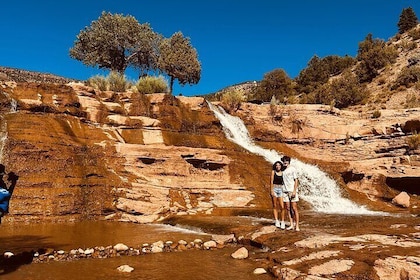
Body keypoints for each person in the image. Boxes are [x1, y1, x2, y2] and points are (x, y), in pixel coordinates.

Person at [281, 156, 300, 231]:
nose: (285, 162)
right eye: (284, 161)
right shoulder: (283, 170)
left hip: (291, 191)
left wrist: (294, 191)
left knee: (294, 208)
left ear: (289, 161)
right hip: (285, 191)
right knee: (288, 209)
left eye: (286, 161)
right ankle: (291, 224)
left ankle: (297, 225)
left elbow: (296, 180)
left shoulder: (292, 169)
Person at [270, 161, 286, 229]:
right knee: (275, 205)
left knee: (282, 207)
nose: (278, 166)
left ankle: (282, 221)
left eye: (279, 165)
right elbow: (271, 181)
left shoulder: (283, 173)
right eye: (276, 165)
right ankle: (276, 220)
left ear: (281, 166)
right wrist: (271, 190)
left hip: (281, 189)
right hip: (275, 189)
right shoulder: (273, 172)